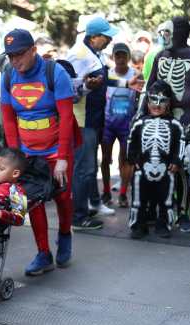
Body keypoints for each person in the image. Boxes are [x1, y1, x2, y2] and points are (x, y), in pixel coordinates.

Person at [0, 28, 77, 275]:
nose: (15, 61)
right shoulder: (8, 75)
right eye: (10, 56)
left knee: (62, 197)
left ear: (34, 50)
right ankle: (43, 253)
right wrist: (15, 157)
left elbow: (66, 117)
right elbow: (8, 118)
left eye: (20, 54)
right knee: (33, 201)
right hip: (27, 152)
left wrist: (63, 158)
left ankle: (65, 234)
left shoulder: (55, 72)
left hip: (56, 150)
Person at [139, 16, 190, 233]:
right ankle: (158, 210)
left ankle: (183, 213)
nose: (164, 36)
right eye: (163, 32)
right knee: (155, 164)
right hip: (160, 119)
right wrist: (140, 115)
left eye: (168, 32)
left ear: (180, 32)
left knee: (183, 166)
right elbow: (148, 88)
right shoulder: (160, 56)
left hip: (186, 120)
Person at [66, 17, 142, 231]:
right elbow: (70, 92)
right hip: (83, 120)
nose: (109, 40)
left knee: (89, 168)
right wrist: (88, 87)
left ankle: (88, 206)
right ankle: (78, 217)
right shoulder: (78, 55)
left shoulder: (93, 54)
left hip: (93, 119)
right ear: (94, 37)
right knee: (85, 169)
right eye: (106, 37)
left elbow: (102, 80)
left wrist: (126, 83)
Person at [127, 80, 185, 239]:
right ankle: (139, 224)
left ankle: (163, 224)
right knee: (138, 199)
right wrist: (133, 159)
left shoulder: (175, 125)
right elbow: (131, 142)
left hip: (166, 170)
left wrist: (176, 161)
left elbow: (180, 143)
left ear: (169, 103)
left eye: (162, 101)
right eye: (153, 100)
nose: (157, 105)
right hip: (142, 169)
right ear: (147, 101)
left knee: (166, 200)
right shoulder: (139, 123)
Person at [101, 43, 138, 208]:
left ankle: (123, 193)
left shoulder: (135, 75)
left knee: (125, 160)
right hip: (108, 123)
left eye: (124, 55)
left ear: (128, 57)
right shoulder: (107, 75)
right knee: (106, 159)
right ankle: (106, 191)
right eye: (118, 56)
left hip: (126, 124)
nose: (121, 59)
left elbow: (140, 97)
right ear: (113, 57)